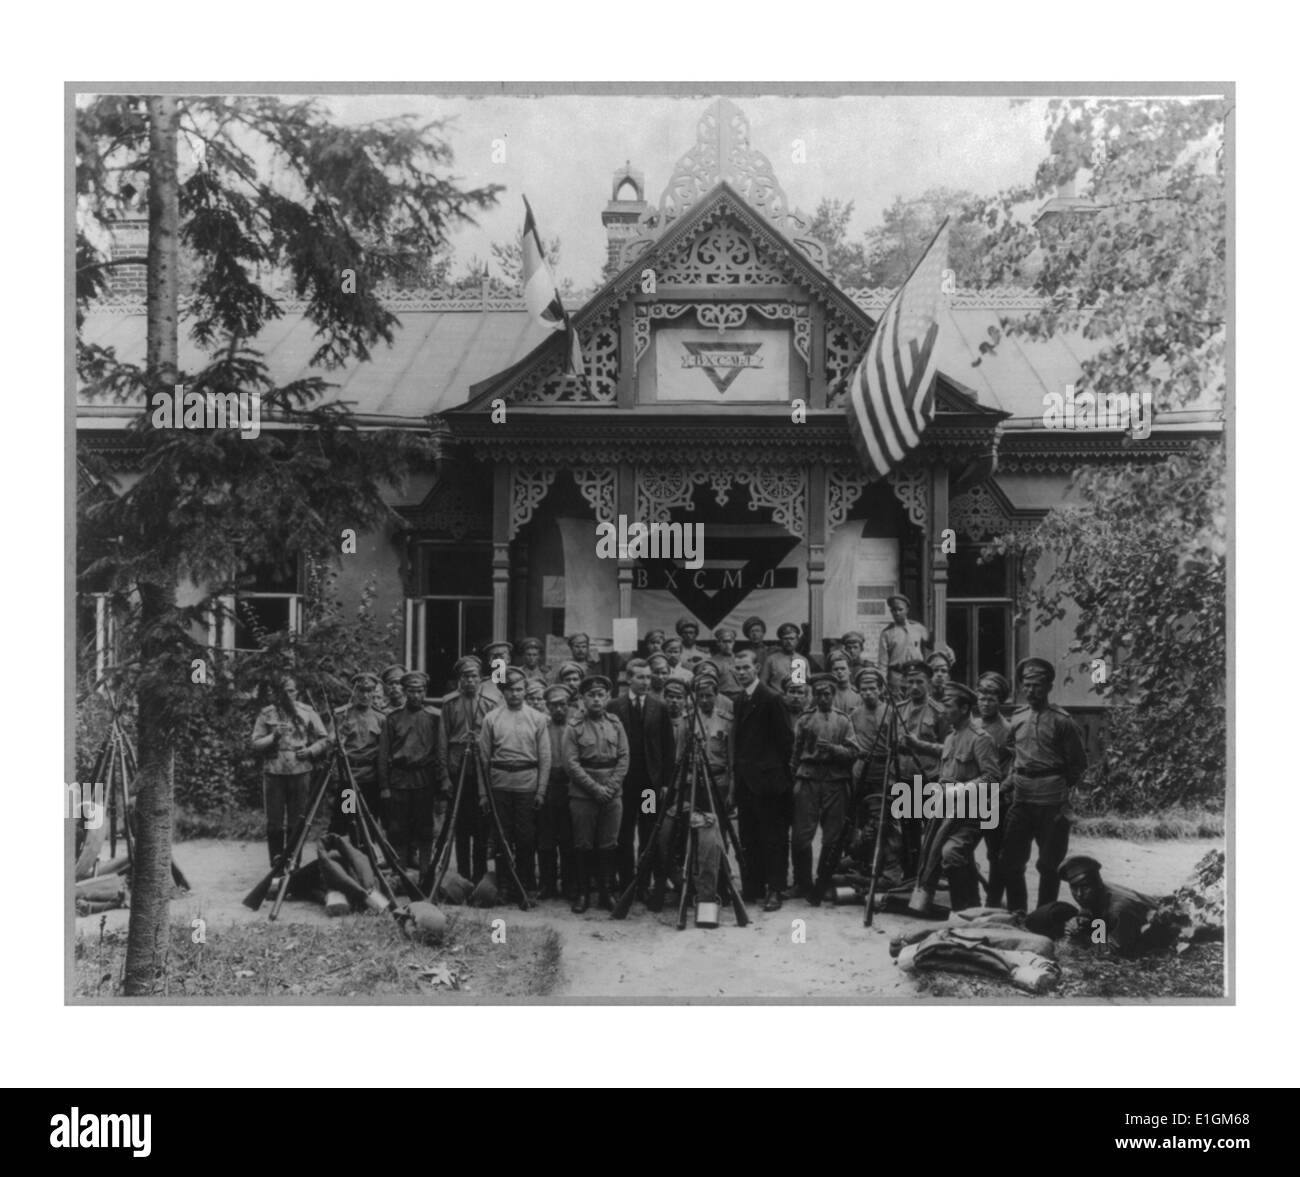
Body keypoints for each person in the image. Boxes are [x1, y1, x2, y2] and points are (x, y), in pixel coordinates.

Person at [999, 657, 1088, 912]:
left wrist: (1056, 785)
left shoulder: (1062, 721)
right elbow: (1013, 755)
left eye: (1037, 685)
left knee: (1049, 864)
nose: (1030, 691)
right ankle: (1018, 913)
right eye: (1026, 685)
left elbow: (1078, 764)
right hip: (1022, 799)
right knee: (1011, 861)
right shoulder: (1017, 718)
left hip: (1052, 803)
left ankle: (1044, 917)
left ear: (1049, 687)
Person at [912, 682, 1001, 914]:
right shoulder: (952, 738)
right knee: (934, 850)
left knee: (951, 853)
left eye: (948, 705)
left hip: (972, 814)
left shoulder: (980, 739)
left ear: (964, 709)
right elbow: (944, 765)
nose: (943, 710)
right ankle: (969, 907)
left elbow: (992, 778)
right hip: (946, 810)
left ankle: (965, 910)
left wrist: (961, 790)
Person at [653, 673, 732, 919]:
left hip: (717, 782)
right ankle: (686, 884)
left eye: (709, 695)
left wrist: (732, 790)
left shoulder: (726, 720)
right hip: (690, 782)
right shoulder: (687, 720)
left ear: (716, 695)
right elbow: (679, 757)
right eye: (700, 696)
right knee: (688, 833)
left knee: (717, 835)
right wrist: (675, 788)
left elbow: (731, 758)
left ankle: (719, 885)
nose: (705, 700)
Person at [478, 667, 551, 901]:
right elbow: (483, 760)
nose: (515, 694)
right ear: (503, 691)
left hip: (527, 785)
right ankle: (504, 885)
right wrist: (483, 793)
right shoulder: (492, 718)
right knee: (502, 837)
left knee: (526, 838)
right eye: (509, 690)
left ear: (525, 691)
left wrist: (540, 790)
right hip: (499, 785)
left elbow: (545, 758)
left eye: (519, 689)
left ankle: (526, 885)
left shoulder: (538, 719)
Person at [730, 648, 795, 911]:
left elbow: (786, 742)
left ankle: (775, 889)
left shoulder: (771, 699)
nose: (741, 672)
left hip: (769, 783)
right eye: (737, 668)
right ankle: (754, 886)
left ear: (757, 668)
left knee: (773, 837)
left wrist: (773, 775)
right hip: (746, 782)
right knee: (749, 836)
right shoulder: (739, 700)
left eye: (746, 667)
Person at [790, 675, 861, 903]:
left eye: (827, 693)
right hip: (808, 778)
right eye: (819, 693)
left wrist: (834, 750)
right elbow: (794, 754)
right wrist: (794, 779)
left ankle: (824, 880)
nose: (823, 697)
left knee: (832, 836)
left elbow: (853, 752)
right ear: (814, 695)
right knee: (801, 835)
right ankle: (803, 882)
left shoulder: (843, 721)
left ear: (833, 694)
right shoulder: (804, 720)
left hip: (835, 780)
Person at [250, 675, 330, 877]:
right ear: (278, 693)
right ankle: (276, 866)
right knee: (274, 821)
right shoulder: (268, 713)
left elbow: (325, 738)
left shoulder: (307, 712)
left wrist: (311, 751)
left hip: (300, 770)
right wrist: (274, 736)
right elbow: (255, 743)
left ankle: (294, 863)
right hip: (274, 771)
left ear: (298, 692)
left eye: (292, 690)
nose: (288, 695)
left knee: (298, 820)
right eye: (284, 691)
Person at [608, 658, 675, 897]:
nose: (646, 682)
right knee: (624, 833)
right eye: (641, 677)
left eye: (648, 677)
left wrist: (665, 783)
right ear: (629, 679)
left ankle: (644, 883)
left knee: (648, 832)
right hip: (625, 783)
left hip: (648, 784)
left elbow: (669, 748)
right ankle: (626, 882)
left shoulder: (660, 707)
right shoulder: (614, 706)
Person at [562, 675, 629, 913]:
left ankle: (606, 893)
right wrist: (594, 789)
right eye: (591, 695)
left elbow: (623, 758)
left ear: (608, 697)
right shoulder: (574, 727)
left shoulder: (616, 724)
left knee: (609, 844)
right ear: (582, 699)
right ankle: (583, 894)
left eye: (601, 695)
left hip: (612, 794)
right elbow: (571, 763)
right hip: (583, 794)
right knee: (583, 845)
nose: (596, 699)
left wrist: (609, 789)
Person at [437, 655, 497, 883]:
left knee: (481, 826)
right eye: (465, 677)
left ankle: (480, 874)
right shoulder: (450, 703)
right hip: (456, 767)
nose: (469, 681)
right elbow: (442, 742)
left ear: (479, 678)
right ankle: (462, 875)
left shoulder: (490, 703)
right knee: (460, 826)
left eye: (473, 676)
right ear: (459, 679)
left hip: (481, 770)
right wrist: (444, 776)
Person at [376, 671, 442, 874]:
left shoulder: (433, 718)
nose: (415, 695)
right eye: (411, 691)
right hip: (399, 779)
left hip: (424, 778)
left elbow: (440, 752)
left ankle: (425, 871)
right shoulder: (393, 719)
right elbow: (383, 755)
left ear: (425, 692)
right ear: (405, 692)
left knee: (424, 827)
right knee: (397, 828)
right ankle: (399, 871)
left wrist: (440, 783)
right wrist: (385, 786)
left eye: (420, 691)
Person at [896, 659, 950, 877]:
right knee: (908, 832)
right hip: (905, 780)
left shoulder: (940, 712)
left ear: (928, 682)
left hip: (930, 779)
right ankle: (909, 877)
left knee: (932, 832)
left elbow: (948, 749)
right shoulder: (898, 710)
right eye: (910, 682)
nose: (915, 687)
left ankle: (931, 877)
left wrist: (920, 745)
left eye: (919, 681)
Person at [1050, 855, 1159, 957]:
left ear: (1097, 882)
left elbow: (1114, 952)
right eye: (1074, 887)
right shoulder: (1096, 893)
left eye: (1085, 887)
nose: (1079, 894)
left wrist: (1083, 939)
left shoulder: (1119, 909)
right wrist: (1080, 921)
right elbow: (1094, 916)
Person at [974, 671, 1014, 907]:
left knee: (994, 853)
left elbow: (1011, 768)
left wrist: (998, 793)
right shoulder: (973, 725)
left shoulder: (1007, 730)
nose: (986, 702)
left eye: (992, 698)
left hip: (994, 801)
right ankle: (973, 893)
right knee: (962, 848)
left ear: (1000, 700)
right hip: (970, 798)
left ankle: (993, 900)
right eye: (982, 696)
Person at [536, 684, 575, 901]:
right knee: (546, 838)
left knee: (568, 839)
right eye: (554, 705)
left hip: (570, 787)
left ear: (568, 705)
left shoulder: (575, 727)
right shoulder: (541, 727)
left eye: (563, 704)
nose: (559, 709)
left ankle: (569, 884)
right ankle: (547, 884)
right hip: (548, 786)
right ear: (547, 707)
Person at [332, 672, 385, 827]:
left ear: (374, 692)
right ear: (355, 691)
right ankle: (345, 850)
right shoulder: (344, 715)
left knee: (368, 822)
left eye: (369, 691)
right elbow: (332, 742)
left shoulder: (381, 718)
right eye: (361, 690)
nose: (365, 695)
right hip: (349, 777)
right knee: (347, 820)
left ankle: (365, 852)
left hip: (371, 778)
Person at [877, 594, 929, 670]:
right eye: (894, 610)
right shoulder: (887, 633)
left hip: (916, 672)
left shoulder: (918, 628)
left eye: (900, 609)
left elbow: (931, 644)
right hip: (897, 674)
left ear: (907, 609)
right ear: (891, 611)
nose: (897, 613)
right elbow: (883, 662)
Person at [760, 622, 810, 692]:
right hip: (776, 699)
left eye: (792, 639)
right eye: (785, 639)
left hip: (797, 697)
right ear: (781, 641)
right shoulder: (771, 659)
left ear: (797, 641)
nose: (789, 642)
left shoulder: (803, 660)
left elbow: (808, 684)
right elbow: (762, 683)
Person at [708, 626, 742, 700]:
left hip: (741, 697)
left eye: (730, 642)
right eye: (724, 642)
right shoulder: (712, 662)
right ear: (718, 643)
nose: (727, 645)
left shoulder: (741, 660)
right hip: (722, 697)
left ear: (734, 643)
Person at [826, 649, 862, 714]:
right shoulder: (827, 695)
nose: (839, 672)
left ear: (850, 670)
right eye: (836, 669)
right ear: (831, 672)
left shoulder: (858, 695)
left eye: (843, 668)